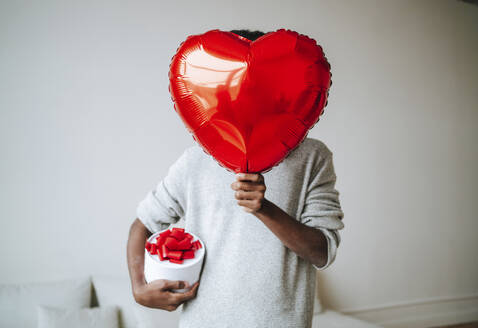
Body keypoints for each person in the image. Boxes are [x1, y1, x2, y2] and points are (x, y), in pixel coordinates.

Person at [126, 29, 345, 328]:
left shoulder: (313, 158)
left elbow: (322, 251)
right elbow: (142, 225)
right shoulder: (195, 160)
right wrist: (139, 289)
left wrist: (264, 209)